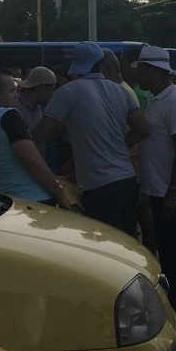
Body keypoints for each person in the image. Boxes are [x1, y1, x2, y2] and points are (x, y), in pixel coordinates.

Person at [33, 42, 150, 234]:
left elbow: (39, 135)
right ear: (101, 64)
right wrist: (118, 146)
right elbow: (144, 129)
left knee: (105, 249)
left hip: (99, 186)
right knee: (127, 246)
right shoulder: (120, 90)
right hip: (127, 181)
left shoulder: (69, 91)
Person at [134, 46, 176, 322]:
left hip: (175, 194)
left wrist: (172, 192)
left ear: (156, 71)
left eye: (142, 70)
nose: (138, 75)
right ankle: (172, 301)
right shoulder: (155, 100)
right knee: (168, 251)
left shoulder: (175, 101)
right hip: (158, 189)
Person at [0, 67, 71, 209]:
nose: (17, 95)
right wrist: (61, 197)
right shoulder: (9, 116)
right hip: (31, 202)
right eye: (12, 91)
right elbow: (33, 161)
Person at [104, 49, 157, 251]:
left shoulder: (122, 92)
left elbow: (138, 131)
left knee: (139, 220)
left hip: (131, 166)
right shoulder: (121, 90)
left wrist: (112, 149)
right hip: (130, 165)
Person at [16, 66, 61, 170]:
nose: (53, 94)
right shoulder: (16, 106)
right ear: (41, 89)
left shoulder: (37, 107)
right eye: (51, 90)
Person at [120, 47, 152, 113]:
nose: (120, 71)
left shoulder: (136, 93)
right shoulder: (150, 88)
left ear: (135, 67)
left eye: (123, 66)